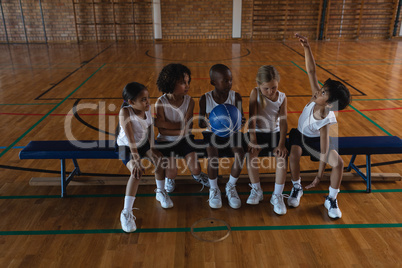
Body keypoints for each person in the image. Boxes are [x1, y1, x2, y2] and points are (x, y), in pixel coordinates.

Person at [289, 33, 351, 219]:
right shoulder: (315, 96)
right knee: (294, 154)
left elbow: (324, 149)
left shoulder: (327, 120)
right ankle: (297, 187)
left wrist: (319, 175)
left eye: (323, 92)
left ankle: (331, 198)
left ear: (329, 104)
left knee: (338, 163)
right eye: (321, 89)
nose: (318, 92)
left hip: (316, 141)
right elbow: (311, 71)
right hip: (299, 135)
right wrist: (307, 47)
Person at [115, 82, 172, 233]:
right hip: (124, 147)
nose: (148, 102)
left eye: (148, 98)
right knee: (136, 171)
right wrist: (137, 160)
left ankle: (160, 191)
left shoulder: (147, 110)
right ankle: (126, 212)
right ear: (131, 102)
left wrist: (153, 150)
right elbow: (130, 138)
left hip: (142, 144)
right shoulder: (125, 113)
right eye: (143, 100)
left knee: (161, 160)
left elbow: (150, 132)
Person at [154, 63, 209, 192]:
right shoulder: (161, 102)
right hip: (166, 140)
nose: (187, 85)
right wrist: (180, 128)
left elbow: (188, 128)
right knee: (171, 172)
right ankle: (169, 179)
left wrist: (165, 124)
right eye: (183, 83)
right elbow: (162, 131)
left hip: (185, 139)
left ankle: (198, 176)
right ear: (171, 83)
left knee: (196, 168)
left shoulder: (190, 101)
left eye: (187, 81)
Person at [199, 64, 246, 209]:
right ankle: (214, 188)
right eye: (225, 80)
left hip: (232, 132)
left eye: (230, 80)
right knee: (212, 154)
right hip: (212, 133)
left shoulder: (235, 96)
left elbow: (241, 118)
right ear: (213, 82)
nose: (229, 83)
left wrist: (241, 121)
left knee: (240, 153)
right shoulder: (205, 98)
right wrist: (208, 122)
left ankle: (231, 186)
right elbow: (201, 122)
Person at [246, 65, 288, 215]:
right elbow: (252, 118)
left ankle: (277, 195)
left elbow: (283, 122)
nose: (270, 92)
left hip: (275, 133)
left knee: (282, 158)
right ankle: (257, 189)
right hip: (257, 133)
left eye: (274, 87)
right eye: (266, 89)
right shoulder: (255, 93)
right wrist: (253, 140)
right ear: (259, 85)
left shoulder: (282, 97)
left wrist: (281, 144)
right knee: (251, 155)